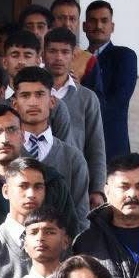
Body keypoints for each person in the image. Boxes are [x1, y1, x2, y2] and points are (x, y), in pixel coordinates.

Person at [0, 104, 76, 243]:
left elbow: (70, 236)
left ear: (23, 136)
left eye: (12, 129)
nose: (4, 139)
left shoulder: (50, 180)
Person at [11, 67, 89, 235]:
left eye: (40, 94)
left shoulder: (73, 158)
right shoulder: (7, 155)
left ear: (52, 101)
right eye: (25, 95)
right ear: (15, 104)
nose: (33, 102)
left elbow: (81, 219)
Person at [43, 27, 106, 209]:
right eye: (53, 51)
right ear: (43, 54)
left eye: (65, 52)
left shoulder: (87, 97)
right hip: (37, 180)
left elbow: (96, 145)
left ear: (73, 56)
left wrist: (97, 189)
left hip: (76, 182)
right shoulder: (32, 94)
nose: (59, 57)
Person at [0, 156, 48, 278]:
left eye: (38, 187)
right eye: (23, 186)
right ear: (6, 191)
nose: (31, 194)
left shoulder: (56, 241)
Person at [83, 0, 138, 159]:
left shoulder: (124, 56)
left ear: (112, 27)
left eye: (104, 21)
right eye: (93, 21)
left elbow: (118, 100)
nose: (98, 26)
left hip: (111, 145)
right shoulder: (76, 58)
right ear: (84, 26)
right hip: (79, 145)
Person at [50, 0, 95, 83]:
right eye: (61, 18)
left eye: (72, 19)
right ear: (50, 22)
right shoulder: (37, 55)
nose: (67, 24)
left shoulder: (88, 60)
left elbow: (95, 92)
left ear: (78, 23)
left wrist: (78, 87)